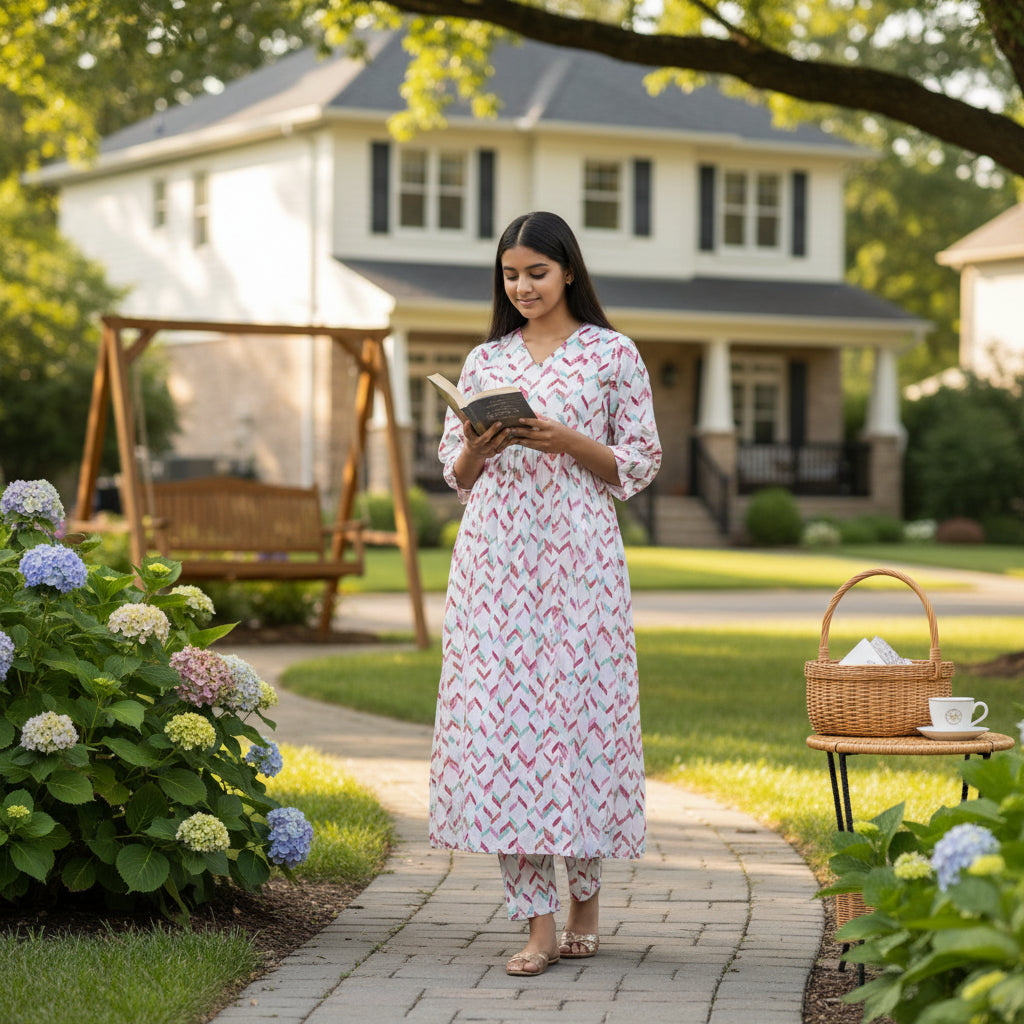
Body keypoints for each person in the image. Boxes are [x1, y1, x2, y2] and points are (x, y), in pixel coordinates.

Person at [428, 210, 662, 977]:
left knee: (578, 726)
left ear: (567, 270)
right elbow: (456, 479)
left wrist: (566, 439)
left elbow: (640, 461)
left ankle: (586, 902)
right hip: (495, 567)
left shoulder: (612, 355)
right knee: (505, 735)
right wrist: (476, 446)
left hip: (580, 564)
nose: (522, 286)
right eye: (510, 274)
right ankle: (536, 925)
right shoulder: (484, 359)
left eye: (536, 271)